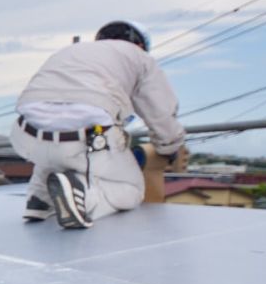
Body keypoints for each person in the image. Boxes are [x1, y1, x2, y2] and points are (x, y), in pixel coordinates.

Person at [12, 21, 187, 229]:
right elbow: (160, 112)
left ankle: (38, 201)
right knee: (131, 187)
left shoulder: (72, 51)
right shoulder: (139, 57)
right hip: (83, 137)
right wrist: (169, 147)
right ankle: (84, 201)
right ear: (139, 44)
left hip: (24, 135)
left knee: (56, 139)